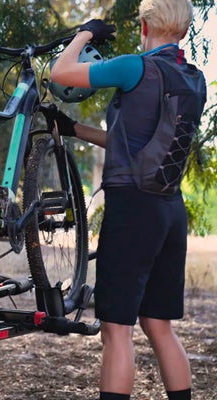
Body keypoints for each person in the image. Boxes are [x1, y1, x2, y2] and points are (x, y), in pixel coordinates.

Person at [48, 1, 207, 400]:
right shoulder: (194, 79)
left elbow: (60, 73)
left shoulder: (134, 67)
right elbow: (138, 143)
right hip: (169, 210)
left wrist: (84, 33)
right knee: (159, 325)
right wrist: (75, 130)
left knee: (117, 330)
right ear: (184, 31)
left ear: (144, 25)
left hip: (133, 210)